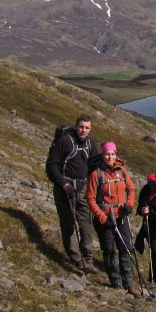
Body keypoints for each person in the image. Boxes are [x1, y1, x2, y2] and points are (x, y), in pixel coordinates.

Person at [46, 115, 99, 272]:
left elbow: (94, 166)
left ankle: (88, 258)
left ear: (90, 129)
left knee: (86, 224)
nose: (83, 130)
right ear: (76, 126)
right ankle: (76, 259)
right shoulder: (65, 141)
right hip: (65, 189)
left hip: (83, 189)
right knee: (68, 224)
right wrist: (63, 184)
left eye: (87, 128)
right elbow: (51, 165)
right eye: (81, 127)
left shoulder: (90, 143)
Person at [86, 141, 139, 296]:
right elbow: (90, 199)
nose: (110, 157)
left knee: (126, 248)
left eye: (113, 154)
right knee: (109, 250)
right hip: (106, 219)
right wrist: (102, 218)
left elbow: (131, 189)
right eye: (107, 154)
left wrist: (129, 204)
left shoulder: (122, 171)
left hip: (122, 216)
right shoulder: (96, 174)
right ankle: (116, 282)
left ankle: (129, 283)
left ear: (116, 155)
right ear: (102, 155)